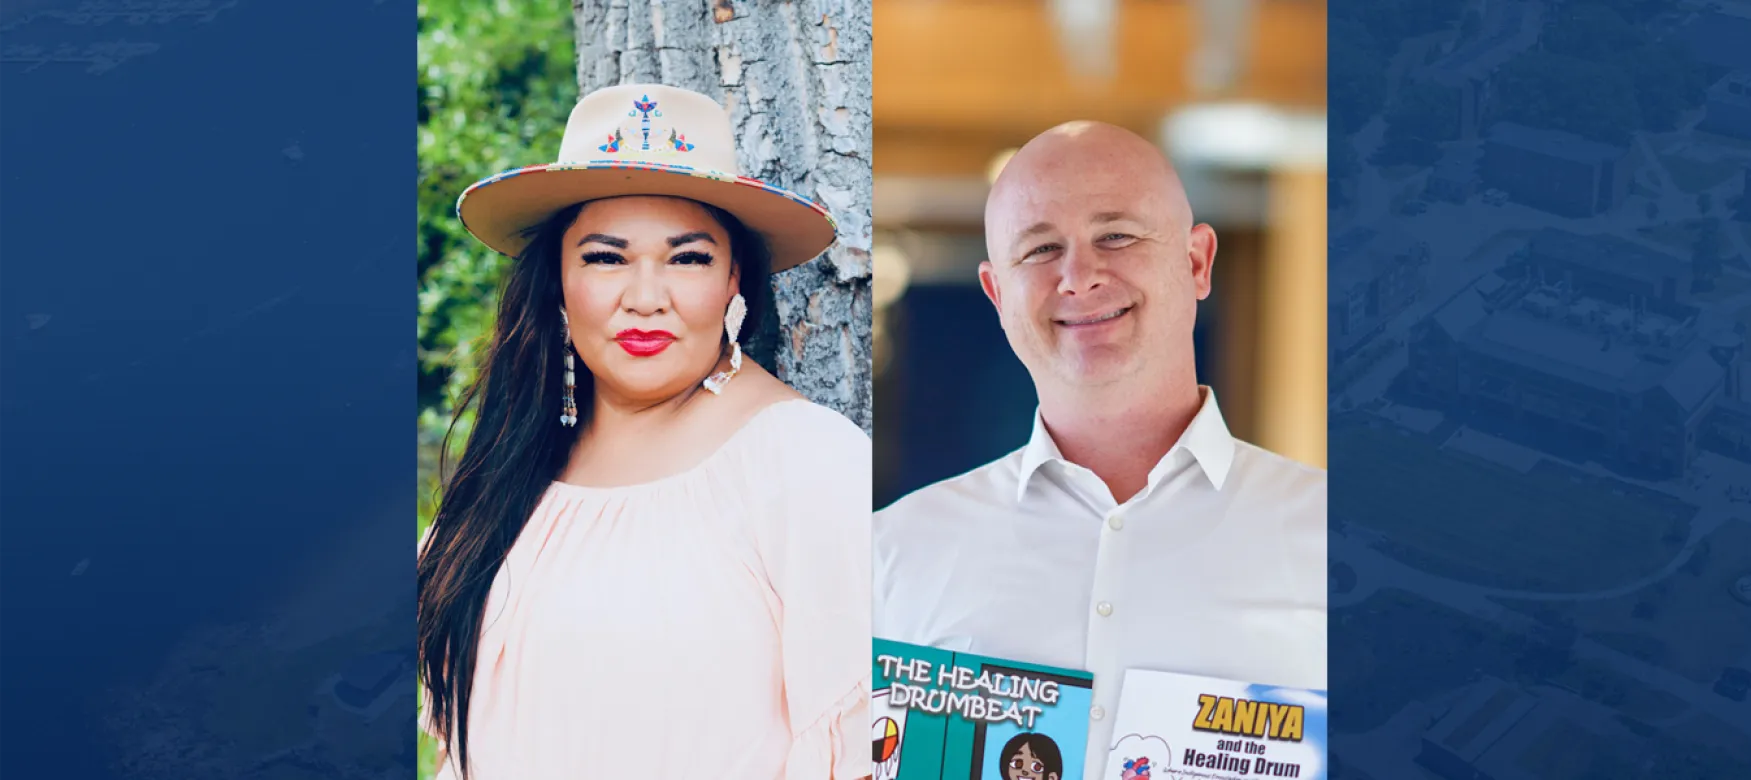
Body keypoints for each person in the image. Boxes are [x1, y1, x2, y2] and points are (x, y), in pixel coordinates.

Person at [417, 84, 870, 780]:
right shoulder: (511, 472)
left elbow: (865, 747)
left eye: (688, 258)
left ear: (732, 281)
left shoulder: (804, 462)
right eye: (606, 257)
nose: (646, 297)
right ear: (557, 284)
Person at [872, 121, 1326, 777]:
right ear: (998, 295)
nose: (1079, 276)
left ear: (1195, 262)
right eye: (1039, 250)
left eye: (1116, 235)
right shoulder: (892, 554)